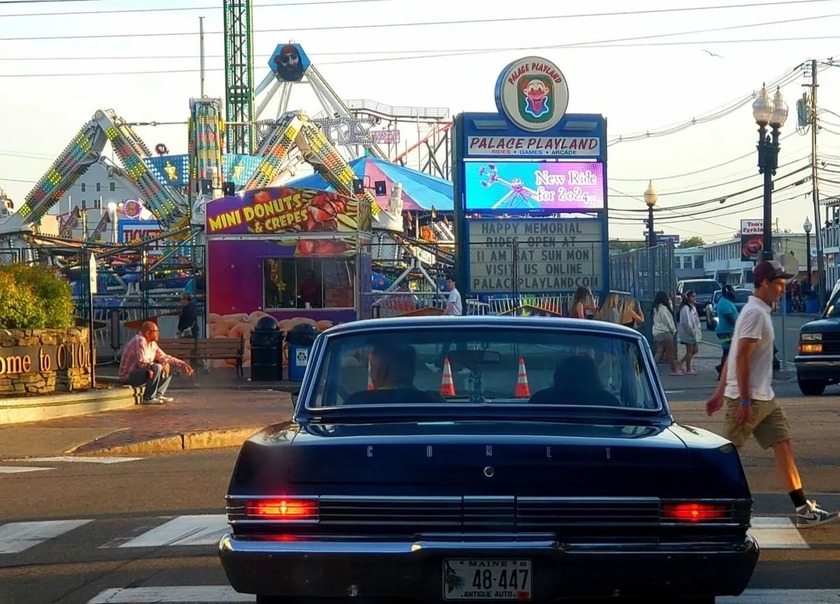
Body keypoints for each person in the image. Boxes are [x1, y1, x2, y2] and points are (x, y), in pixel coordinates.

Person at [706, 260, 837, 528]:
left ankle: (803, 509)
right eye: (778, 284)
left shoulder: (757, 311)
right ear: (764, 283)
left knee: (783, 445)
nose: (783, 289)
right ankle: (699, 505)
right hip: (749, 397)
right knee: (726, 455)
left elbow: (732, 354)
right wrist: (740, 399)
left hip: (764, 397)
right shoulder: (755, 314)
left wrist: (718, 392)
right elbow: (741, 357)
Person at [118, 321, 194, 404]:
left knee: (169, 365)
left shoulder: (152, 343)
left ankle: (158, 394)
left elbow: (164, 357)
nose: (158, 333)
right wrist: (161, 364)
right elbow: (142, 363)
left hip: (143, 372)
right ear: (147, 333)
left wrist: (182, 364)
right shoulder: (140, 341)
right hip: (129, 376)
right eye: (156, 332)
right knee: (157, 367)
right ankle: (148, 398)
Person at [345, 343, 442, 404]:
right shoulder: (433, 401)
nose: (370, 373)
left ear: (382, 371)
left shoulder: (358, 402)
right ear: (413, 369)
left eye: (372, 367)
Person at [426, 274, 467, 373]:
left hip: (453, 321)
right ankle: (463, 366)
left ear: (454, 282)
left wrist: (442, 316)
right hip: (456, 321)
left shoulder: (453, 294)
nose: (447, 284)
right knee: (454, 344)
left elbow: (449, 307)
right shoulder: (455, 293)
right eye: (447, 282)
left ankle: (439, 365)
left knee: (447, 344)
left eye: (449, 282)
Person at [651, 291, 682, 376]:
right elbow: (667, 320)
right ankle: (674, 369)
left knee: (659, 352)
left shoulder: (655, 308)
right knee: (670, 353)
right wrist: (673, 329)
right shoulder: (664, 308)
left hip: (657, 332)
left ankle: (651, 367)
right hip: (665, 332)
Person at [714, 285, 739, 380]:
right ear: (728, 292)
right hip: (726, 331)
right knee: (728, 352)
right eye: (732, 291)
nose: (734, 293)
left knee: (728, 352)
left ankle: (722, 369)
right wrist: (737, 328)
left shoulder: (726, 302)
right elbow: (730, 318)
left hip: (727, 331)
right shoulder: (724, 303)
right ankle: (722, 372)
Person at [677, 290, 702, 375]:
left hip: (694, 331)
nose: (695, 298)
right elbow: (686, 321)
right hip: (688, 332)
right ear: (688, 298)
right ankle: (688, 368)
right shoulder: (685, 308)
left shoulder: (692, 307)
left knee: (695, 349)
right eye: (693, 296)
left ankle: (681, 362)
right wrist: (690, 330)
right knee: (690, 350)